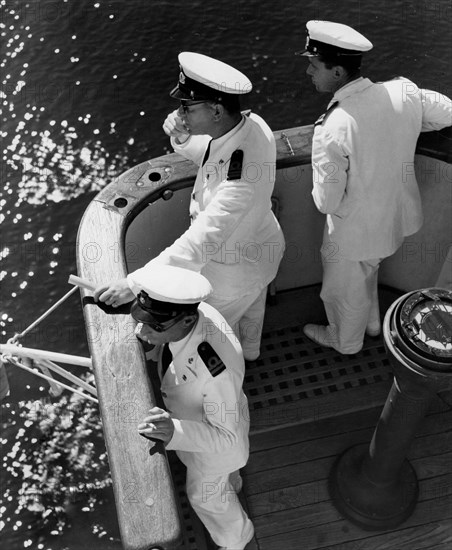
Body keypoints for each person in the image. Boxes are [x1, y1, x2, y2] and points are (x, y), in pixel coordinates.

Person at [94, 52, 285, 361]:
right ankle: (251, 353)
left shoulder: (240, 186)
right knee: (252, 313)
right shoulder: (251, 126)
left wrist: (135, 283)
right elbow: (215, 158)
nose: (179, 113)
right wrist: (184, 136)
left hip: (231, 272)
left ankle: (226, 385)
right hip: (260, 249)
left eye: (187, 107)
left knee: (210, 340)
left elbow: (199, 242)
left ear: (217, 110)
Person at [299, 20, 452, 354]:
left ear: (337, 72)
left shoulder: (332, 127)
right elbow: (446, 112)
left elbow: (326, 202)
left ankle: (345, 341)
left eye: (314, 65)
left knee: (342, 290)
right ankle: (370, 325)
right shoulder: (404, 92)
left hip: (354, 234)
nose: (309, 72)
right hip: (396, 222)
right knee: (369, 270)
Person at [132, 265, 254, 550]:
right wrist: (155, 338)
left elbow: (226, 437)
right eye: (140, 319)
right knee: (224, 483)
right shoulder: (197, 316)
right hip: (225, 411)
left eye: (154, 326)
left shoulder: (215, 371)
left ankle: (237, 540)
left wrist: (172, 430)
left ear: (185, 321)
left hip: (218, 449)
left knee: (204, 496)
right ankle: (232, 483)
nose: (141, 329)